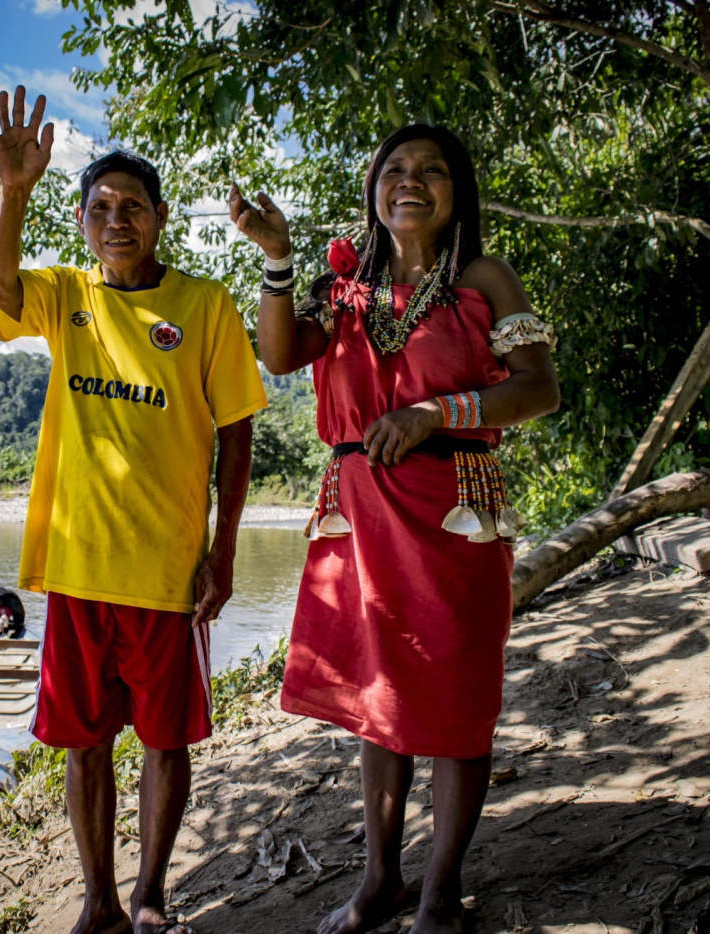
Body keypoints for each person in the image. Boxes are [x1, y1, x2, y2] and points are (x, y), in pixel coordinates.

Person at [230, 125, 560, 934]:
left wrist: (433, 411)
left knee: (454, 697)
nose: (412, 181)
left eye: (432, 170)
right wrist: (278, 258)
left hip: (456, 511)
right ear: (374, 191)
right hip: (358, 521)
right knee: (380, 701)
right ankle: (381, 881)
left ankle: (441, 891)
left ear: (457, 192)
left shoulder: (486, 277)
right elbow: (278, 356)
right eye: (395, 170)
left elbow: (540, 388)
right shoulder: (345, 288)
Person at [0, 86, 267, 934]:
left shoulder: (205, 306)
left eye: (131, 207)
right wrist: (14, 190)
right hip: (77, 568)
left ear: (161, 219)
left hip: (168, 568)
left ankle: (149, 897)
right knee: (84, 742)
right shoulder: (66, 295)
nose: (116, 220)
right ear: (81, 222)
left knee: (165, 741)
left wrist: (225, 550)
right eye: (99, 208)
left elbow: (237, 439)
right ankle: (98, 901)